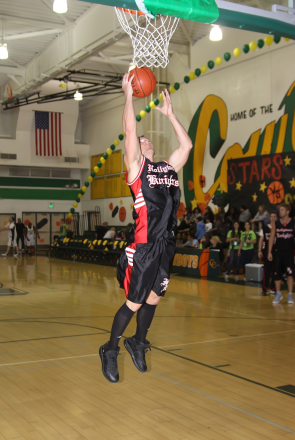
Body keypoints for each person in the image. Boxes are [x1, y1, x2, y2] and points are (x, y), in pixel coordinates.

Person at [99, 75, 193, 383]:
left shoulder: (166, 168)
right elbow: (129, 129)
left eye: (147, 139)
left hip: (165, 244)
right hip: (143, 245)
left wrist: (170, 115)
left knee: (154, 299)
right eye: (140, 142)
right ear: (135, 152)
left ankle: (137, 342)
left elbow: (187, 145)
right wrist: (128, 95)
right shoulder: (136, 169)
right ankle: (110, 349)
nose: (144, 140)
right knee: (135, 302)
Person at [268, 204, 294, 304]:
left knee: (290, 273)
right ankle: (278, 293)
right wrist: (270, 251)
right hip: (278, 251)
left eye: (282, 210)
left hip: (289, 252)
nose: (280, 212)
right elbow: (272, 237)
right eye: (280, 210)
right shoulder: (276, 223)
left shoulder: (293, 223)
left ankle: (290, 294)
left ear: (288, 212)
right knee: (276, 273)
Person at [258, 211, 277, 295]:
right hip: (267, 251)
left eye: (274, 217)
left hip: (277, 251)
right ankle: (265, 289)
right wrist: (259, 250)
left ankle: (274, 288)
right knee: (267, 270)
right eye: (271, 216)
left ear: (277, 218)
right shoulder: (265, 228)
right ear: (269, 218)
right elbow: (261, 239)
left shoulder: (278, 228)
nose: (273, 218)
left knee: (276, 270)